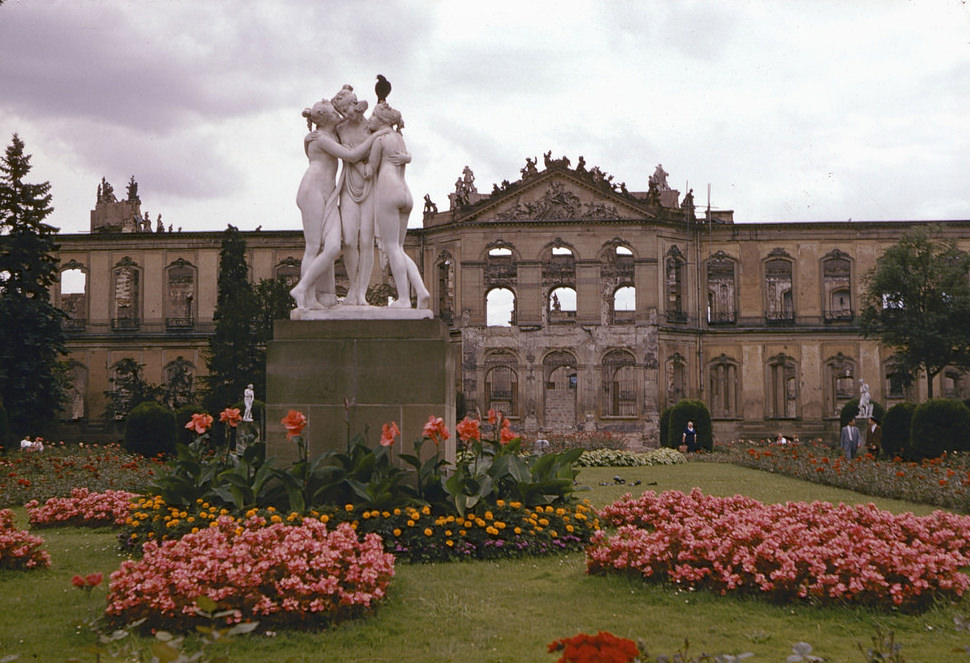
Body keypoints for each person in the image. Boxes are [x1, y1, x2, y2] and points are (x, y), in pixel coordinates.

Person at [289, 99, 389, 310]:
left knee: (334, 246)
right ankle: (306, 296)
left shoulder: (327, 134)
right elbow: (352, 155)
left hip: (329, 195)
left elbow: (347, 119)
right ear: (327, 118)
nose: (340, 116)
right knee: (314, 246)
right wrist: (378, 135)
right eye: (336, 114)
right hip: (312, 191)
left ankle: (322, 294)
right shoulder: (320, 139)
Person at [364, 102, 430, 309]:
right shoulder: (399, 138)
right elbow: (406, 158)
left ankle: (403, 298)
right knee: (399, 248)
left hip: (388, 191)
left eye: (372, 116)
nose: (369, 120)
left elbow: (369, 171)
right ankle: (421, 290)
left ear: (382, 120)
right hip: (405, 194)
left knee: (391, 247)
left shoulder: (380, 139)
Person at [332, 85, 375, 306]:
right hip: (350, 184)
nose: (345, 114)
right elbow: (348, 156)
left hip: (371, 187)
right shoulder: (340, 128)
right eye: (341, 111)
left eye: (347, 108)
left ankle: (361, 293)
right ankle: (353, 288)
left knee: (366, 240)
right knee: (349, 240)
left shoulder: (372, 126)